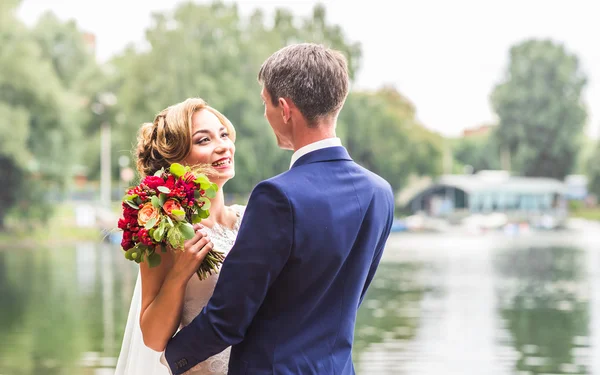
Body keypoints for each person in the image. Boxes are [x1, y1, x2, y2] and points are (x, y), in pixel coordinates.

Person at [164, 43, 395, 375]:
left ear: (285, 109)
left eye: (265, 103)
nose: (265, 114)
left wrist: (171, 358)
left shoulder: (277, 197)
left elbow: (227, 320)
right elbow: (345, 301)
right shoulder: (380, 193)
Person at [114, 98, 244, 375]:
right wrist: (180, 274)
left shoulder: (251, 219)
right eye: (203, 140)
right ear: (177, 159)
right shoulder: (166, 232)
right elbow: (153, 338)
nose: (223, 145)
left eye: (223, 134)